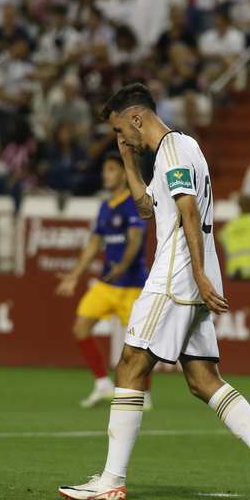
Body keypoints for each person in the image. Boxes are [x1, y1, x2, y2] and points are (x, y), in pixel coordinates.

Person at [59, 83, 250, 500]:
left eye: (121, 130)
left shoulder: (170, 150)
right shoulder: (186, 147)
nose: (122, 138)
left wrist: (199, 273)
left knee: (130, 366)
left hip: (176, 273)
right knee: (203, 379)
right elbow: (149, 209)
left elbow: (188, 209)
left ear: (137, 118)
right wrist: (129, 161)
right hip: (192, 273)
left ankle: (112, 479)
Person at [55, 152, 151, 409]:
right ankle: (103, 384)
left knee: (140, 343)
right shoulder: (104, 206)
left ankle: (144, 394)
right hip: (107, 284)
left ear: (122, 173)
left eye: (110, 169)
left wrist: (123, 265)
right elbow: (94, 243)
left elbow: (136, 239)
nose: (104, 174)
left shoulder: (132, 201)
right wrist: (75, 274)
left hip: (133, 284)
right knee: (80, 328)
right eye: (104, 170)